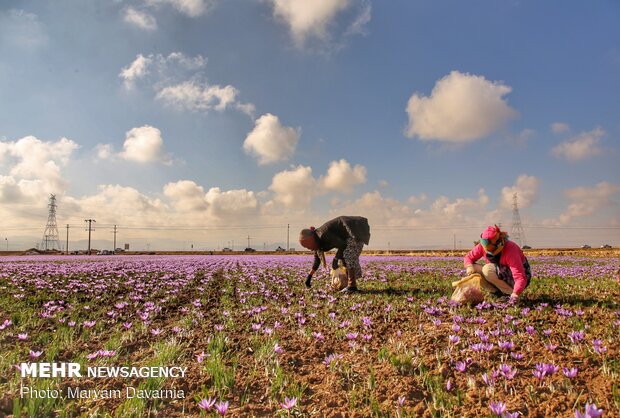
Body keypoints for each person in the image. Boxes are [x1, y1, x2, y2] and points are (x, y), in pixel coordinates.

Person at [299, 216, 370, 293]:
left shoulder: (323, 234)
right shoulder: (317, 241)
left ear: (311, 239)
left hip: (354, 228)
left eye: (307, 246)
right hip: (349, 234)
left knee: (348, 255)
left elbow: (343, 245)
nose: (308, 248)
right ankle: (350, 285)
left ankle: (352, 287)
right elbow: (317, 260)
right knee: (345, 257)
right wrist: (309, 278)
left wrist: (336, 259)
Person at [463, 225, 531, 302]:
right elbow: (468, 257)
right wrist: (469, 266)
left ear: (499, 243)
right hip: (501, 272)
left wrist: (516, 293)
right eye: (486, 248)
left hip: (520, 277)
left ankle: (509, 294)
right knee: (474, 269)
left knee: (487, 270)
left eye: (490, 249)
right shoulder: (483, 246)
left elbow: (519, 276)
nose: (488, 251)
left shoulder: (511, 248)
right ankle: (496, 292)